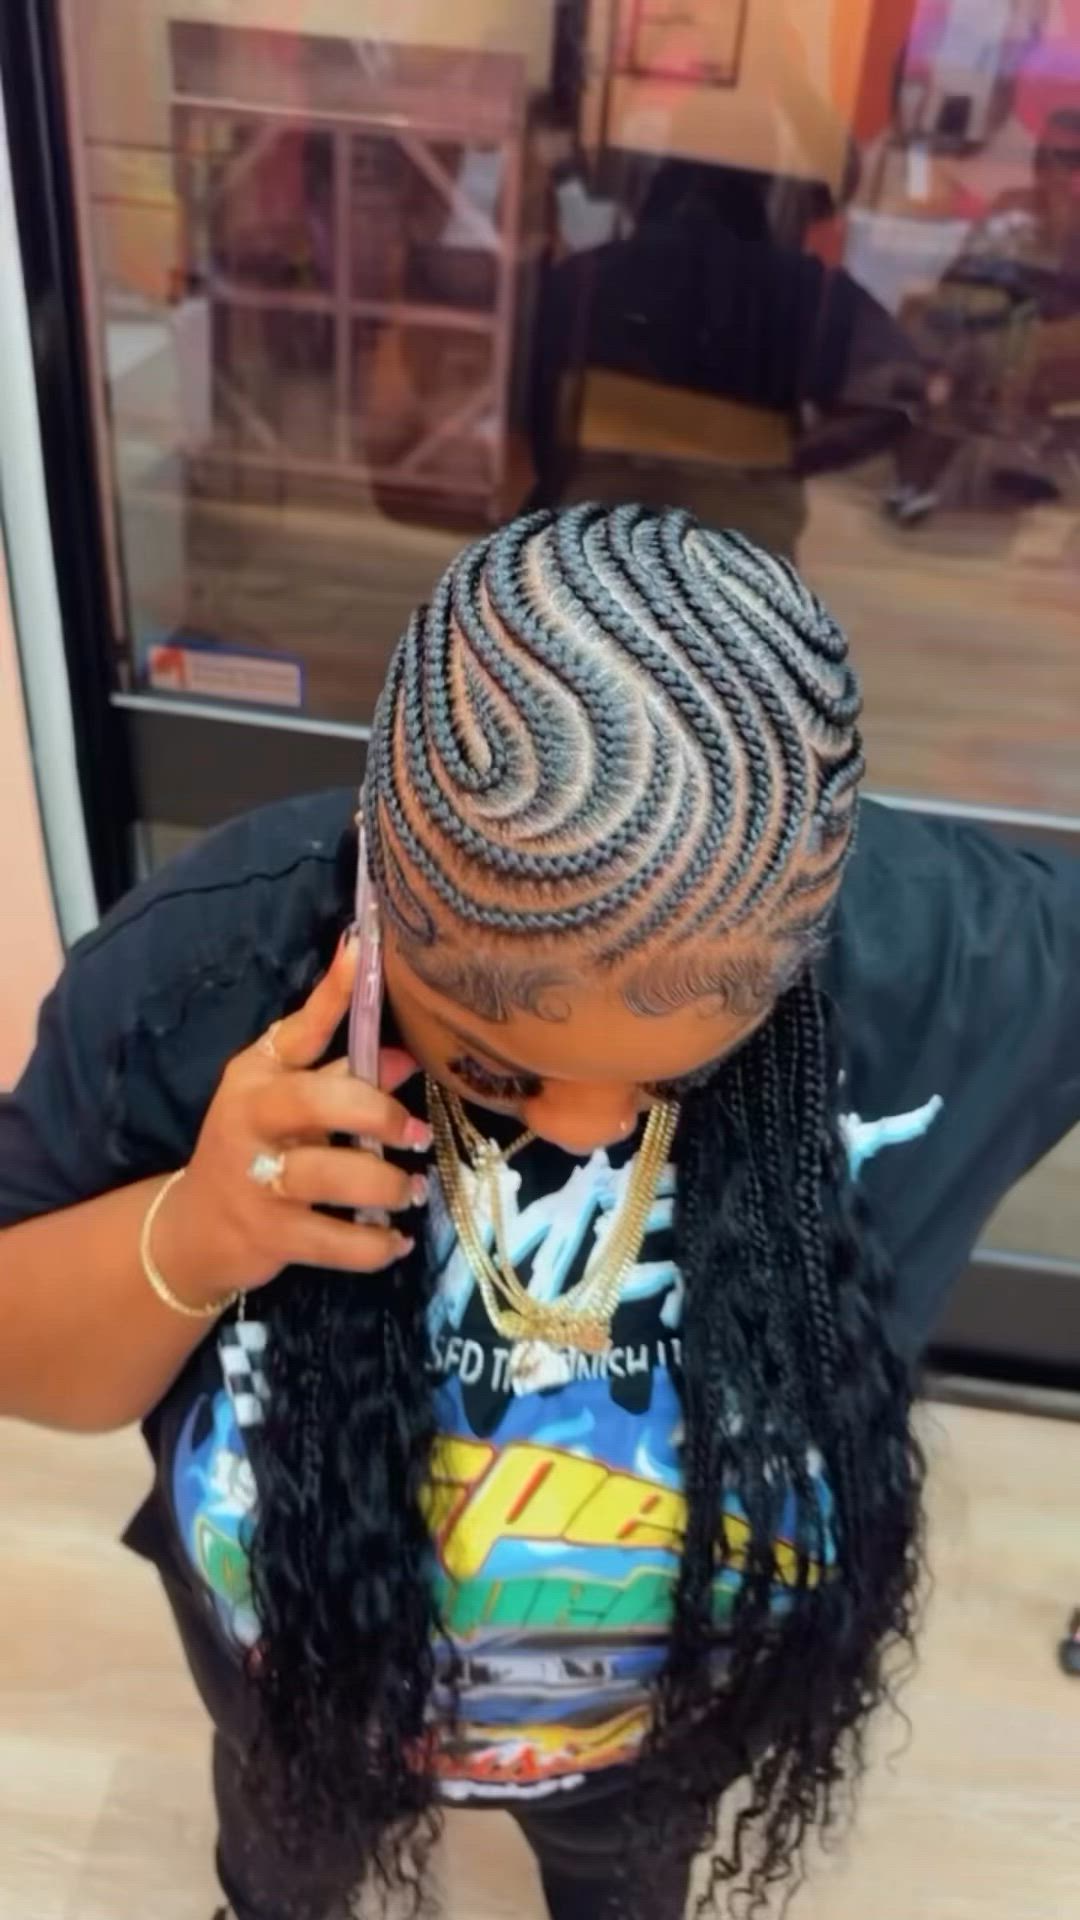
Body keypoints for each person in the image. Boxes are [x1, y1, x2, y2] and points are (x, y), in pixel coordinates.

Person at [1, 504, 1078, 1920]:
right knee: (283, 1868)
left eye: (677, 1074)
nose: (584, 1131)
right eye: (498, 1069)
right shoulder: (203, 984)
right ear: (378, 893)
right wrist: (198, 1232)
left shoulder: (944, 964)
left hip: (668, 1730)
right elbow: (26, 1354)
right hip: (305, 1678)